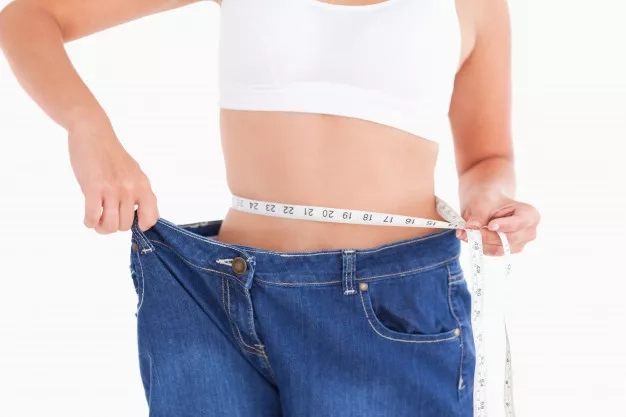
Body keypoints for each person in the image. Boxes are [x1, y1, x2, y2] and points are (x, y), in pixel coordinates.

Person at [0, 0, 540, 416]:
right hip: (214, 296)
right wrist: (89, 130)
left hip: (391, 302)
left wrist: (491, 202)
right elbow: (28, 17)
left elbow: (487, 158)